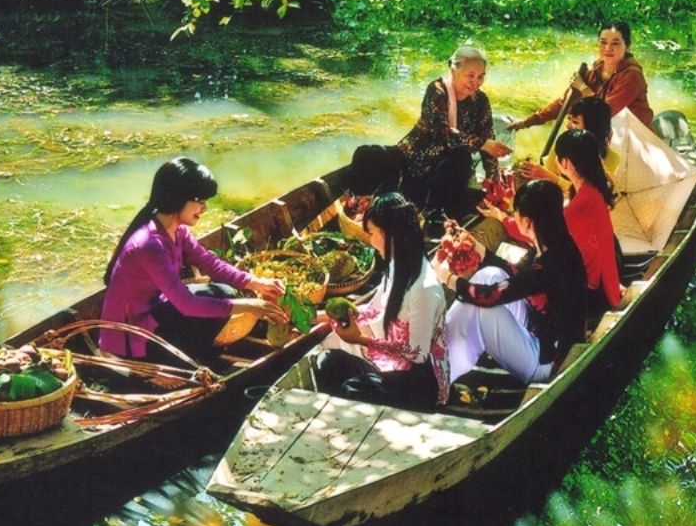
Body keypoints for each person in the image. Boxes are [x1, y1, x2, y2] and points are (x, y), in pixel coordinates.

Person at [100, 157, 289, 361]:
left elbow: (209, 263)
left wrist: (258, 283)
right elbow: (186, 304)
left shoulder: (177, 231)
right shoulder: (149, 245)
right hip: (131, 336)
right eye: (200, 200)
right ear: (177, 198)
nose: (205, 208)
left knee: (223, 292)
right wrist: (250, 306)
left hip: (153, 314)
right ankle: (162, 365)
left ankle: (190, 355)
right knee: (217, 303)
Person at [437, 179, 588, 385]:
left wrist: (447, 278)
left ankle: (440, 371)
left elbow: (489, 297)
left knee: (485, 310)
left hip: (548, 365)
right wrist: (482, 251)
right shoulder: (560, 247)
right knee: (491, 274)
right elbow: (522, 279)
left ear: (526, 221)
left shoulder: (551, 263)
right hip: (544, 332)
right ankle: (445, 355)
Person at [314, 193, 450, 408]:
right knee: (326, 362)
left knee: (353, 389)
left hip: (418, 384)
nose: (369, 240)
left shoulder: (424, 288)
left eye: (372, 233)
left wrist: (361, 339)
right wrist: (327, 316)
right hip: (391, 369)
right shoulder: (397, 265)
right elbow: (375, 308)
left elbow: (418, 354)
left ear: (389, 235)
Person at [396, 45, 512, 224]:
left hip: (453, 167)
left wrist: (493, 177)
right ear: (453, 70)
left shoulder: (481, 100)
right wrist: (482, 144)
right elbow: (441, 132)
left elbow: (487, 135)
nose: (476, 82)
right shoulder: (437, 91)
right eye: (470, 75)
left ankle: (447, 217)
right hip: (420, 162)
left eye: (481, 76)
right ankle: (432, 216)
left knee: (462, 168)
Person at [508, 21, 654, 131]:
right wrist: (528, 122)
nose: (608, 49)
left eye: (615, 43)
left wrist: (583, 88)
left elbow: (603, 112)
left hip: (633, 136)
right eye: (603, 43)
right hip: (606, 132)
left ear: (627, 46)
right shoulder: (594, 69)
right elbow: (564, 103)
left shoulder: (632, 75)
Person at [552, 129, 622, 316]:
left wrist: (503, 218)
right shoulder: (591, 190)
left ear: (565, 163)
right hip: (605, 281)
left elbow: (542, 234)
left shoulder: (582, 202)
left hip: (595, 294)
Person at [517, 96, 621, 192]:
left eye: (575, 122)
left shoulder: (611, 159)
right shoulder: (563, 146)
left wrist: (552, 178)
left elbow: (590, 194)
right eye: (569, 119)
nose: (568, 126)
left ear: (592, 127)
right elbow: (547, 185)